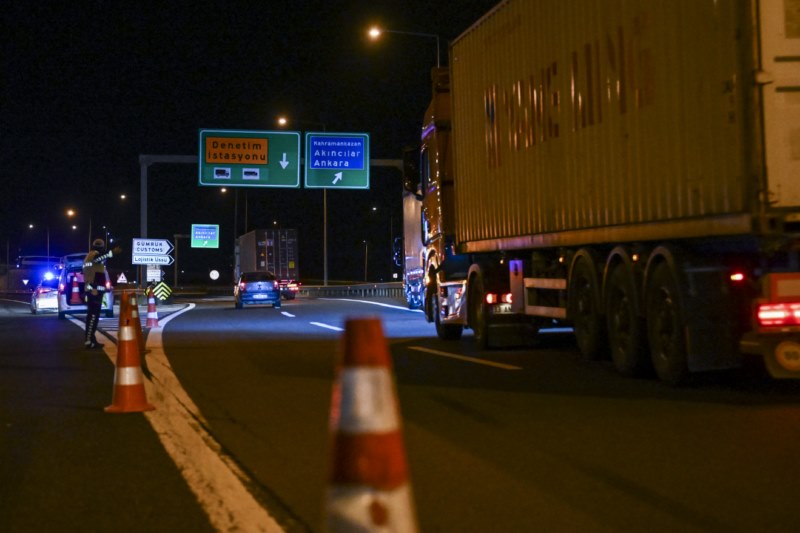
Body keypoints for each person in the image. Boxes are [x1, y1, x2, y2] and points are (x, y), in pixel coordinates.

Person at [82, 239, 121, 349]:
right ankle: (89, 341)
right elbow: (99, 259)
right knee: (93, 316)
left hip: (94, 290)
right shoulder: (94, 255)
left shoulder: (89, 256)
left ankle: (91, 340)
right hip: (94, 291)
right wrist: (112, 253)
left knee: (93, 316)